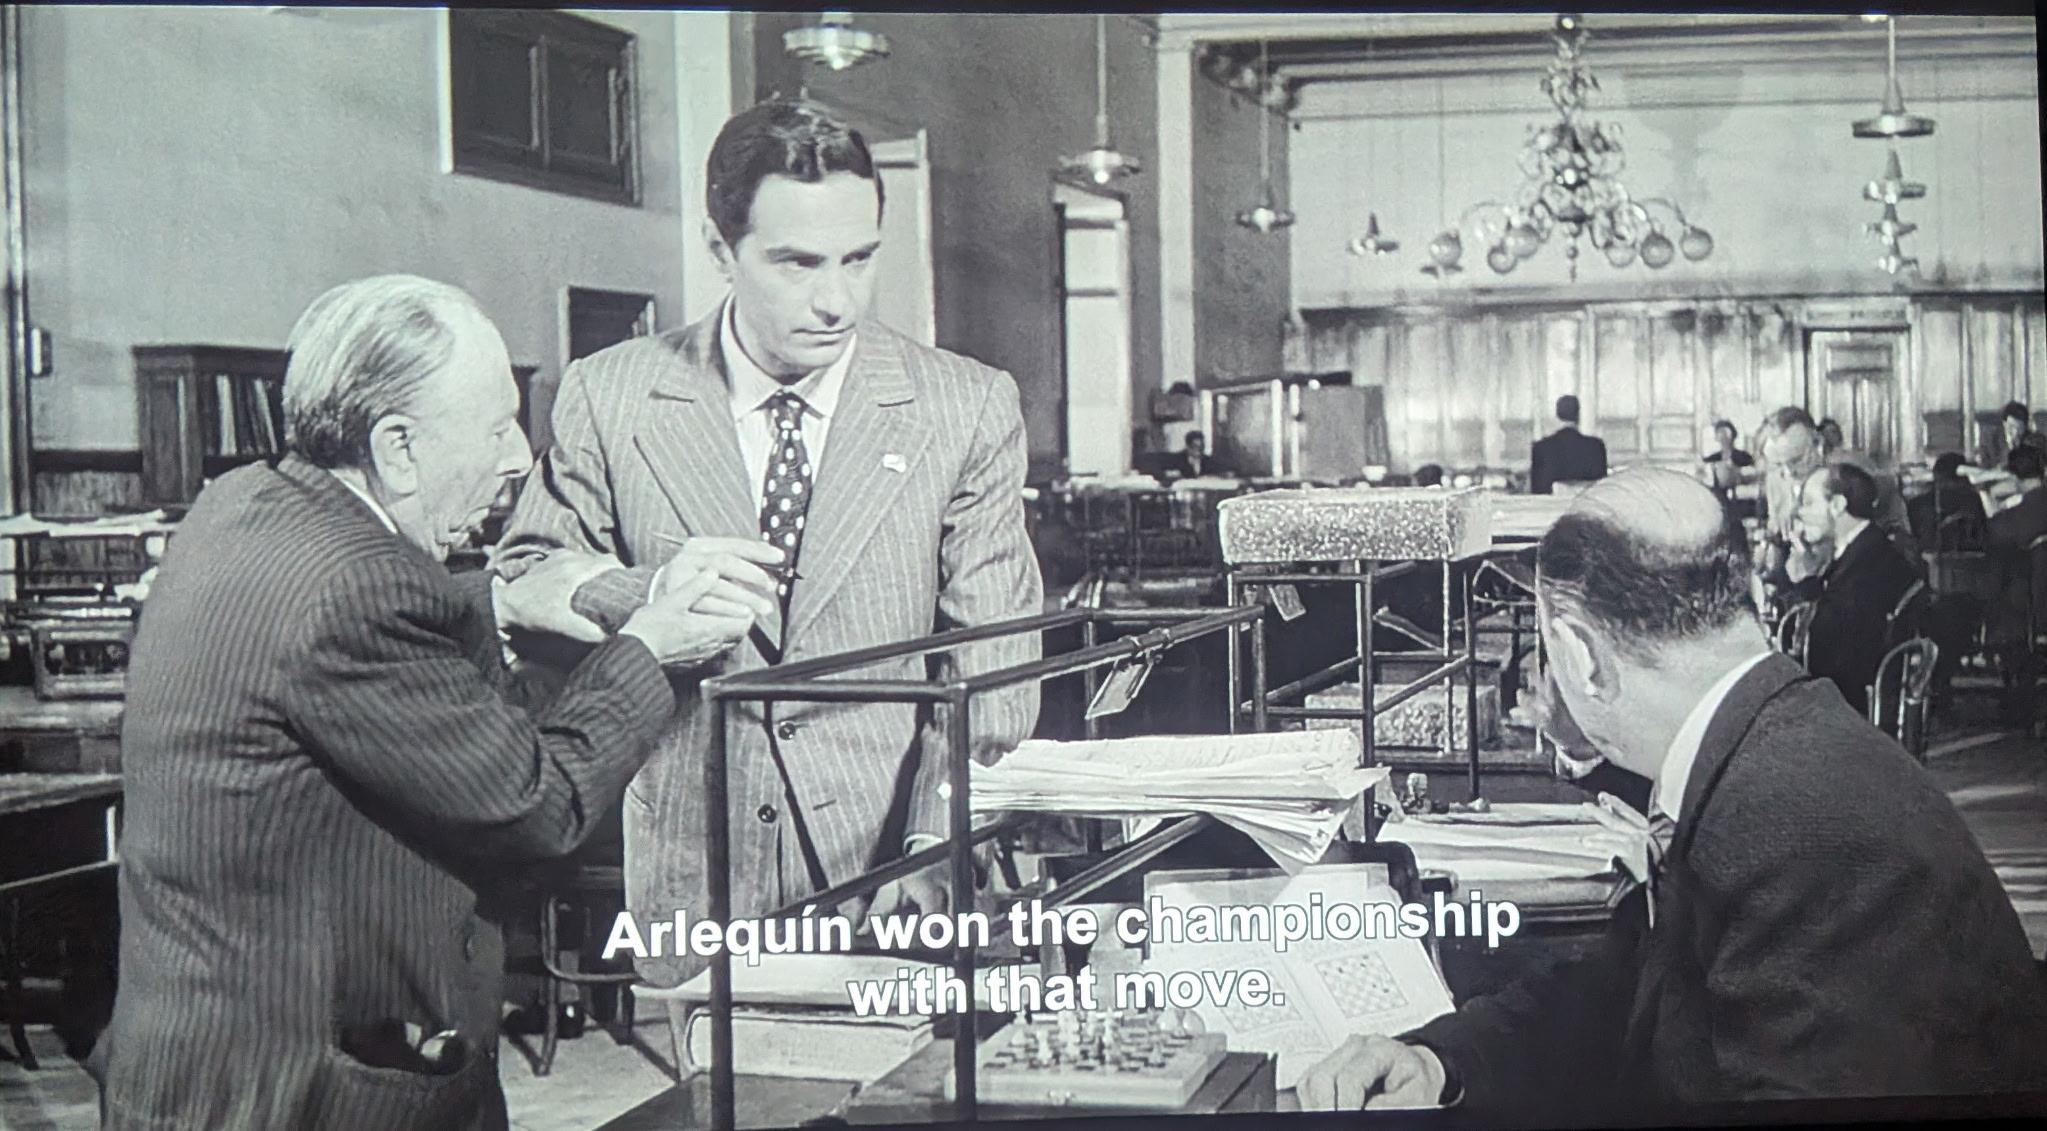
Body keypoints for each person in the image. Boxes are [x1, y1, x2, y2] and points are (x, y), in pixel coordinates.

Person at [96, 277, 762, 1131]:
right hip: (307, 1096)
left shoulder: (246, 502)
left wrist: (500, 599)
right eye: (497, 428)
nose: (519, 458)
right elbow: (541, 802)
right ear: (398, 447)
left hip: (200, 1069)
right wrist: (649, 646)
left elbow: (358, 643)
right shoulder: (358, 592)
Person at [498, 99, 1043, 998]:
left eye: (858, 258)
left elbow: (991, 669)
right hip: (695, 865)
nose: (837, 301)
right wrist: (651, 596)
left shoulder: (965, 406)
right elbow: (524, 574)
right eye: (797, 262)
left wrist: (934, 844)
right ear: (721, 250)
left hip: (890, 868)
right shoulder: (611, 394)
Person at [1299, 469, 2047, 1117]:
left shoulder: (1795, 825)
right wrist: (1441, 1061)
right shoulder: (1765, 741)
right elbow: (1632, 988)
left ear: (1580, 655)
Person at [1790, 463, 1923, 715]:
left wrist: (1806, 581)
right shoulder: (1864, 547)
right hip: (1851, 693)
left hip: (1852, 704)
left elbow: (1825, 639)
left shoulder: (1871, 560)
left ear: (1837, 505)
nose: (1801, 513)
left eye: (1809, 503)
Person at [1986, 445, 2047, 726]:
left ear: (2012, 476)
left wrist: (1994, 503)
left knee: (2005, 597)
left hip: (2031, 609)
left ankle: (2019, 700)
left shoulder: (2017, 515)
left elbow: (1994, 537)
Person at [1909, 451, 1989, 551]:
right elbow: (1983, 537)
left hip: (1930, 557)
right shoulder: (1972, 500)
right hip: (1970, 557)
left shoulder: (1916, 504)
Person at [1528, 394, 1606, 495]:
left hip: (1552, 503)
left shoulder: (1541, 448)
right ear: (1578, 415)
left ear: (1557, 414)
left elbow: (1537, 489)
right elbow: (1602, 488)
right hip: (1585, 503)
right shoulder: (1596, 447)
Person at [1980, 399, 2046, 472]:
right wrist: (2009, 448)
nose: (2015, 432)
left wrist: (2016, 447)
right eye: (2011, 427)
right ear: (2004, 424)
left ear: (2025, 427)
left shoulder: (2035, 442)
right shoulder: (1990, 440)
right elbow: (1984, 470)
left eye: (2019, 428)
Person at [1700, 418, 1753, 498]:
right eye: (1720, 433)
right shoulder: (1713, 458)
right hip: (1718, 495)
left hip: (1739, 496)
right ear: (1717, 437)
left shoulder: (1744, 456)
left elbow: (1751, 474)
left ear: (1732, 436)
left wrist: (1736, 471)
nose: (1723, 437)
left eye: (1726, 434)